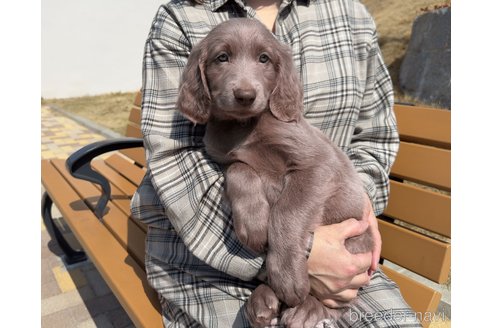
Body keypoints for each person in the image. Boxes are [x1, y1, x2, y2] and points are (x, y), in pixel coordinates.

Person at [130, 0, 422, 327]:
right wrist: (298, 253)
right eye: (222, 59)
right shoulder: (179, 19)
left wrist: (351, 222)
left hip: (339, 250)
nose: (244, 86)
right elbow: (176, 162)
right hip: (209, 256)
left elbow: (374, 136)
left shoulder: (348, 13)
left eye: (263, 59)